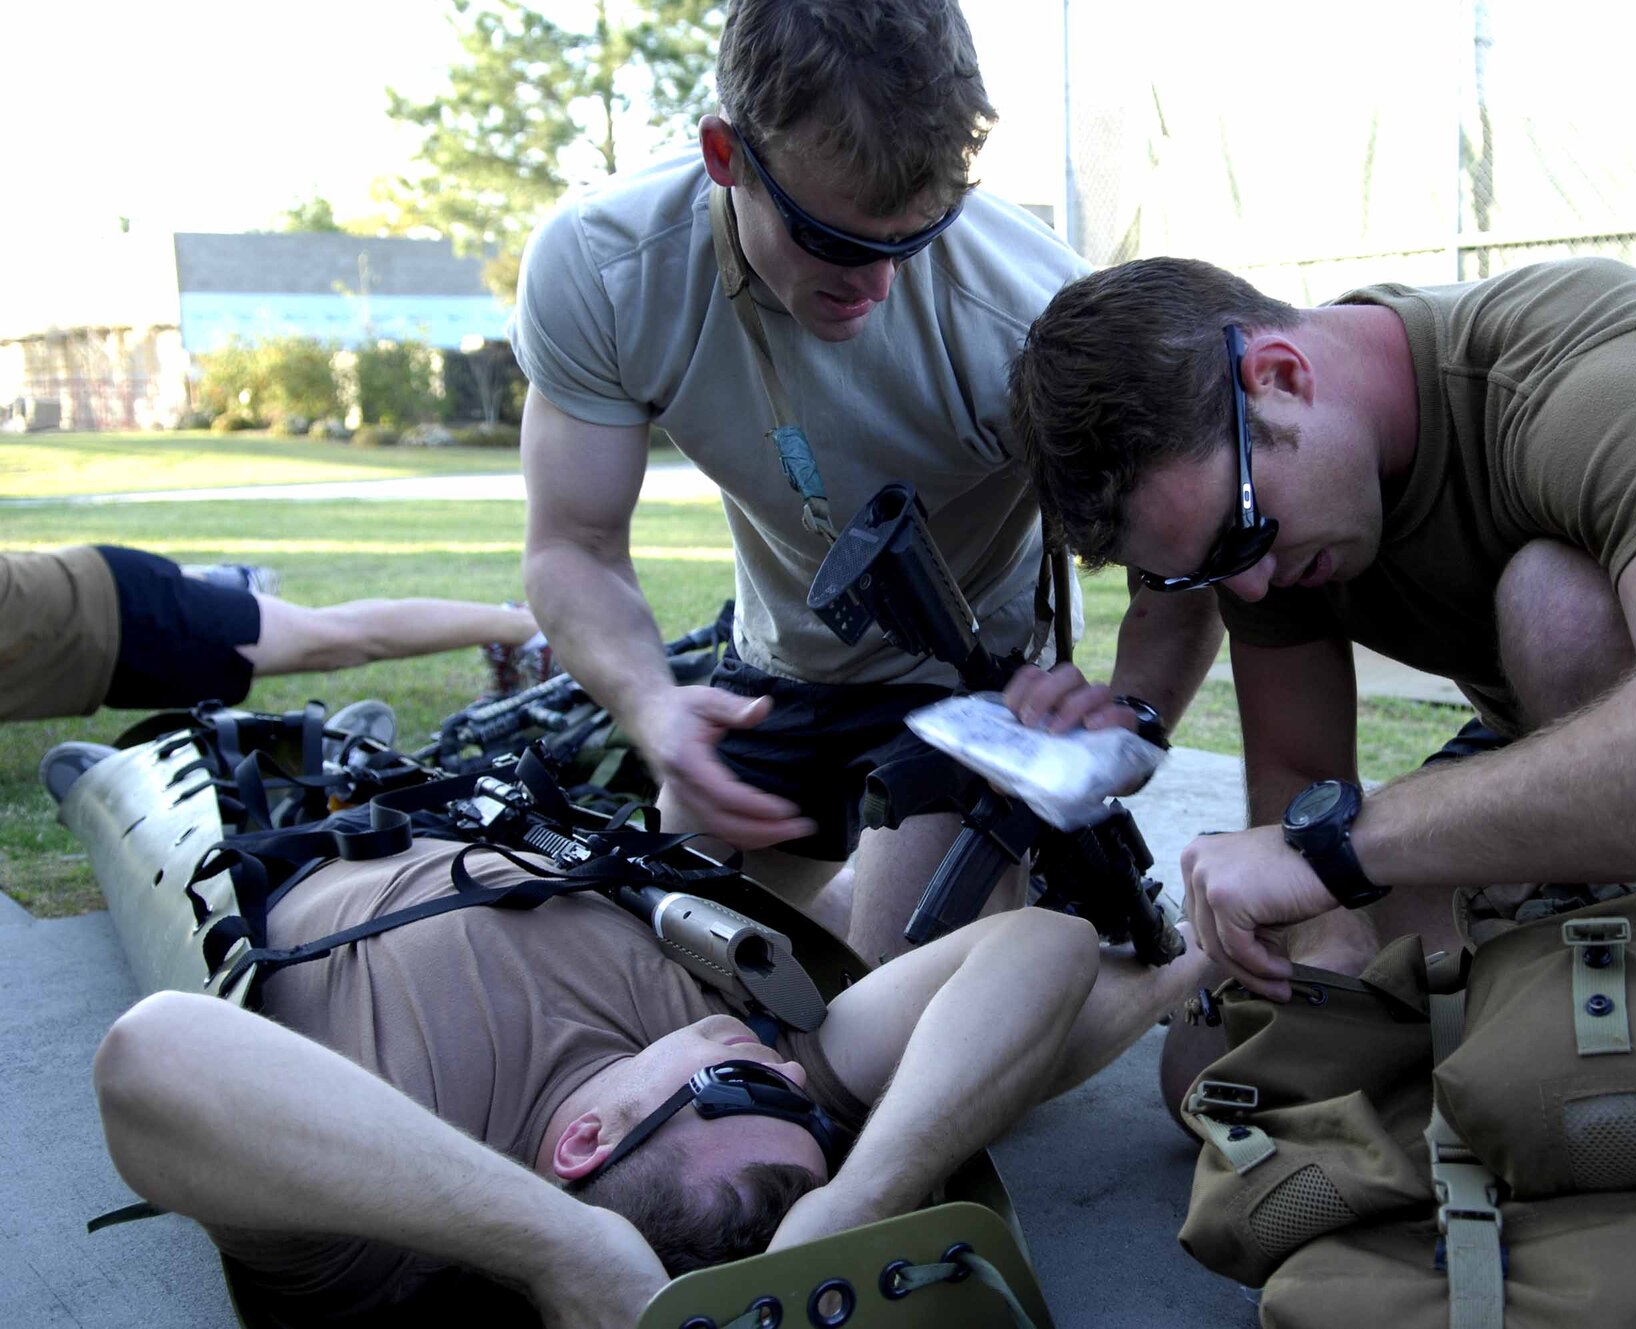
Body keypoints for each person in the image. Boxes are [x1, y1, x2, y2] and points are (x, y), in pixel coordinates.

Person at [1005, 254, 1636, 1002]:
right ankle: (1599, 948)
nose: (1250, 589)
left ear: (1283, 375)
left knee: (1555, 606)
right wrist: (1320, 953)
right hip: (1563, 732)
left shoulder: (1599, 375)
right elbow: (1299, 794)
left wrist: (1344, 853)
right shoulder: (1273, 498)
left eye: (1243, 538)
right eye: (1207, 571)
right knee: (1236, 1066)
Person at [512, 0, 1220, 960]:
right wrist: (649, 702)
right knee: (658, 955)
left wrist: (1130, 713)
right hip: (777, 668)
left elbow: (1189, 552)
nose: (878, 284)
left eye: (916, 235)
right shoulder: (604, 269)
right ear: (728, 157)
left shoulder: (1030, 314)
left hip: (970, 682)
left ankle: (1132, 974)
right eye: (838, 241)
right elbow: (573, 547)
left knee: (892, 1016)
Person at [92, 834, 1201, 1325]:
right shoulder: (748, 1078)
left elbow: (150, 1057)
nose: (773, 1058)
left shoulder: (371, 1208)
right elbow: (1041, 945)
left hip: (326, 845)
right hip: (497, 828)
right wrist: (860, 1199)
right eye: (790, 1098)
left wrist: (557, 1246)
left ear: (580, 1148)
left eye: (757, 1092)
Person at [4, 545, 544, 734]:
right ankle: (223, 584)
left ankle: (526, 629)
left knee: (333, 639)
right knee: (330, 634)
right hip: (92, 631)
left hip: (115, 614)